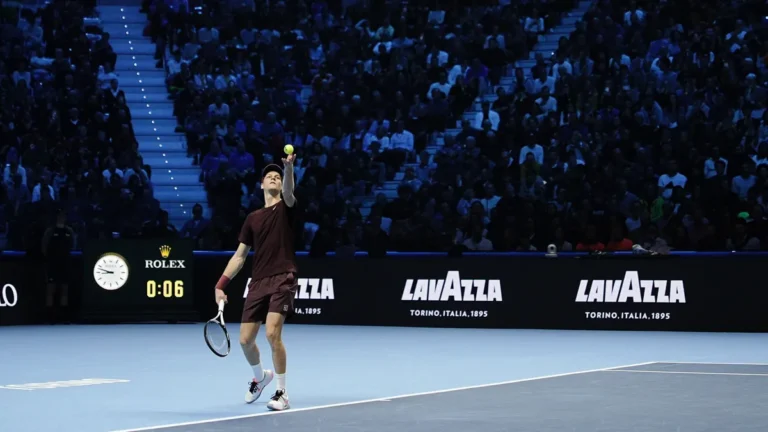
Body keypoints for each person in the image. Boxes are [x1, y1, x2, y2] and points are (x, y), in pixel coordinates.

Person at [213, 153, 297, 411]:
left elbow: (289, 192)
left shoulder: (286, 207)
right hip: (258, 281)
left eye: (277, 176)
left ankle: (281, 392)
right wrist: (220, 285)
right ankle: (260, 378)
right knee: (245, 340)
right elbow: (240, 256)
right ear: (261, 185)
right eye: (269, 176)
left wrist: (288, 169)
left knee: (272, 332)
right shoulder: (252, 218)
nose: (274, 178)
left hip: (283, 276)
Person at [42, 209, 75, 323]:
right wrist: (50, 259)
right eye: (60, 216)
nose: (61, 218)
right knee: (51, 288)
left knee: (64, 289)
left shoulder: (69, 231)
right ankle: (50, 317)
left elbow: (73, 245)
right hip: (52, 264)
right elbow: (44, 246)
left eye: (63, 216)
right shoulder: (50, 231)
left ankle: (63, 316)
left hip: (65, 263)